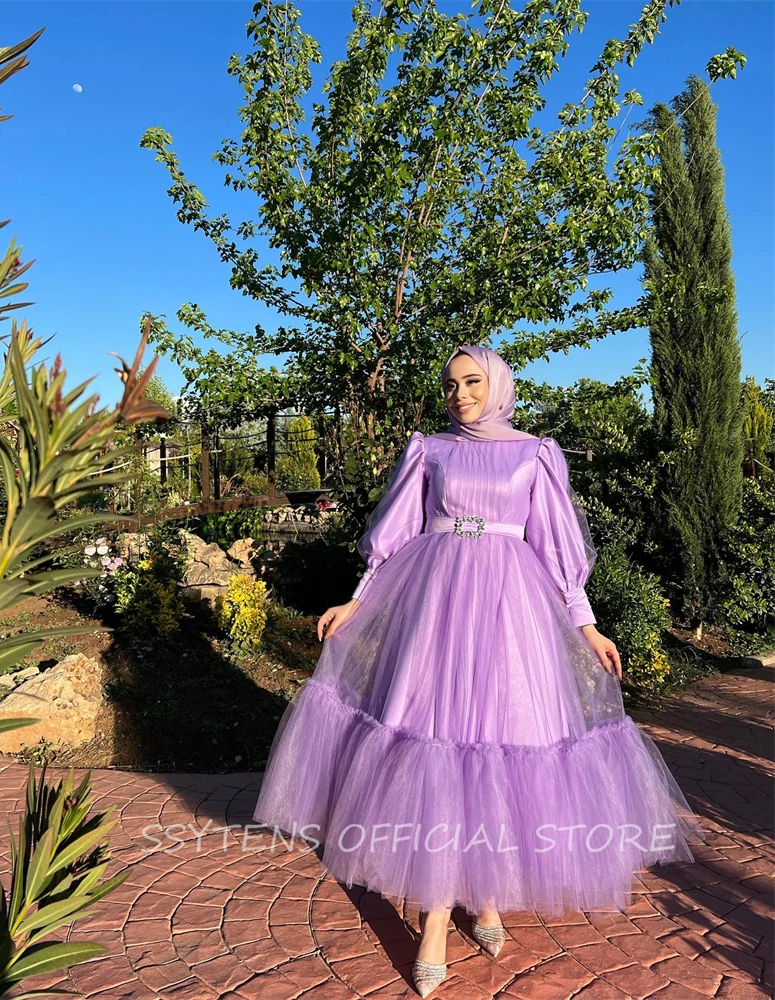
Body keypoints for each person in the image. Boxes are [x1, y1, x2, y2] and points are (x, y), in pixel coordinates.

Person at [252, 345, 704, 997]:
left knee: (501, 750)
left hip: (510, 619)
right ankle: (436, 920)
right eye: (451, 384)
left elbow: (555, 548)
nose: (460, 394)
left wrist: (586, 622)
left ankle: (485, 891)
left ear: (497, 385)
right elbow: (397, 537)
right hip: (436, 613)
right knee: (437, 752)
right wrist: (356, 598)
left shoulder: (535, 454)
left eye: (472, 382)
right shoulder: (428, 450)